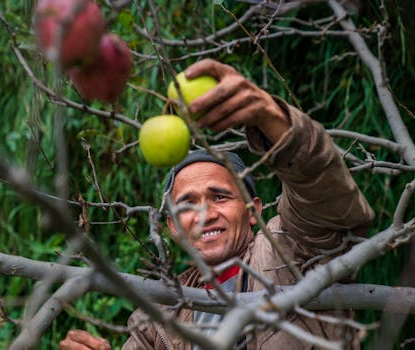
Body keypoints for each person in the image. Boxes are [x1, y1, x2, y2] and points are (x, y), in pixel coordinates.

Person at [59, 59, 375, 349]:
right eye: (187, 204)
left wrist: (268, 115)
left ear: (253, 211)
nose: (205, 214)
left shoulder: (290, 250)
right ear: (172, 227)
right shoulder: (160, 315)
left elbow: (324, 193)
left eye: (220, 197)